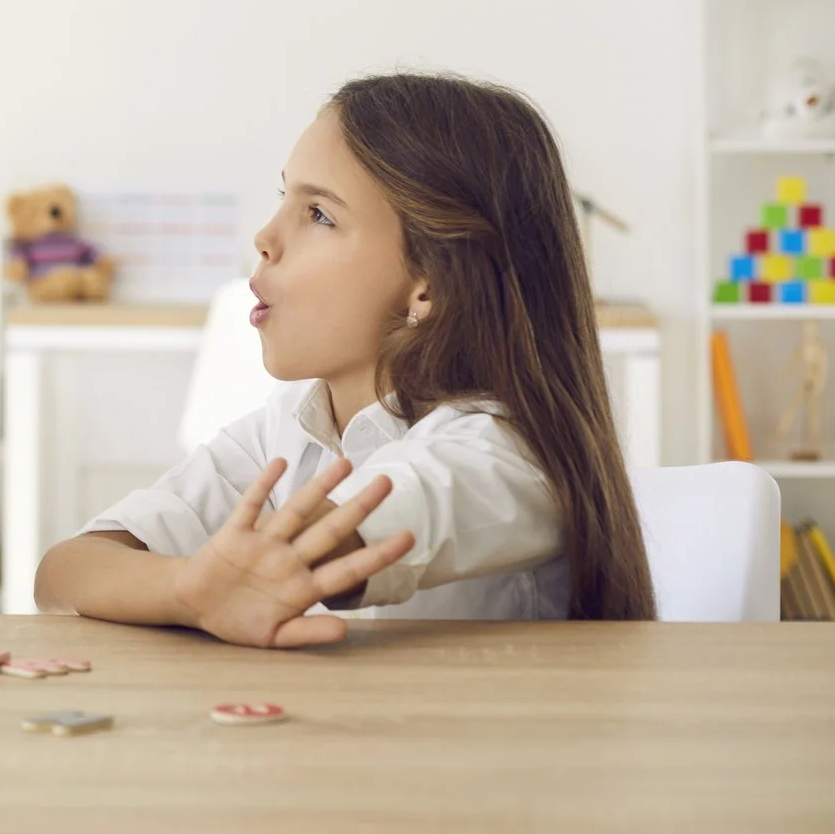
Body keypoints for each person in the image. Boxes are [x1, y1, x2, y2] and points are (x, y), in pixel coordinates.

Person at [34, 73, 655, 645]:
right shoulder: (288, 430)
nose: (265, 237)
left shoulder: (502, 456)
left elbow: (345, 542)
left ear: (429, 285)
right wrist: (191, 590)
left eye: (319, 214)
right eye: (284, 197)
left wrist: (204, 581)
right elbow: (67, 570)